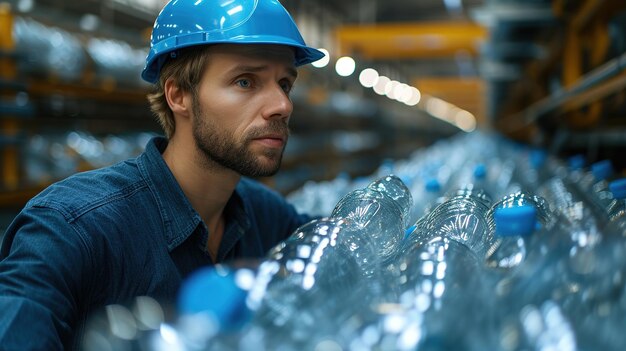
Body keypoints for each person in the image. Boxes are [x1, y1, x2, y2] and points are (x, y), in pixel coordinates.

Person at [0, 0, 324, 349]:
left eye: (285, 84)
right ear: (178, 95)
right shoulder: (72, 230)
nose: (282, 105)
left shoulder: (268, 217)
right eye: (246, 81)